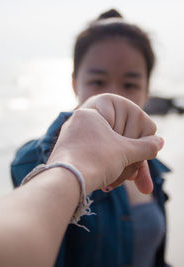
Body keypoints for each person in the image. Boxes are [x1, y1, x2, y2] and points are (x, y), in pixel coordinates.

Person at [0, 102, 164, 267]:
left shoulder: (156, 173)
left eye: (129, 83)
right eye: (97, 80)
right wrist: (72, 140)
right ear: (75, 80)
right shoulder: (42, 154)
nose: (115, 92)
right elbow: (27, 162)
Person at [11, 9, 171, 267]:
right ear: (75, 84)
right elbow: (29, 166)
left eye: (130, 84)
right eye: (98, 81)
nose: (114, 96)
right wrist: (81, 123)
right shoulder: (46, 159)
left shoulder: (154, 169)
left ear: (147, 89)